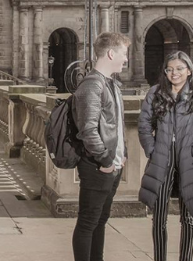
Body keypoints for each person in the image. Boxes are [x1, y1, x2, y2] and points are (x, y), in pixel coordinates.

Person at [138, 51, 193, 261]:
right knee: (159, 219)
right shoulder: (155, 93)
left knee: (188, 218)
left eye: (179, 69)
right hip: (161, 160)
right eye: (170, 69)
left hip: (188, 162)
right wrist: (152, 150)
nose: (174, 73)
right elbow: (144, 125)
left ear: (189, 71)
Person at [71, 32, 130, 261]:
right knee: (88, 221)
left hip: (112, 165)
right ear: (111, 53)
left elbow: (116, 124)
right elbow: (88, 130)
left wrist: (122, 154)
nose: (126, 59)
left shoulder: (112, 84)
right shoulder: (92, 85)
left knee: (100, 219)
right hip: (97, 166)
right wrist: (105, 160)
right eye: (124, 53)